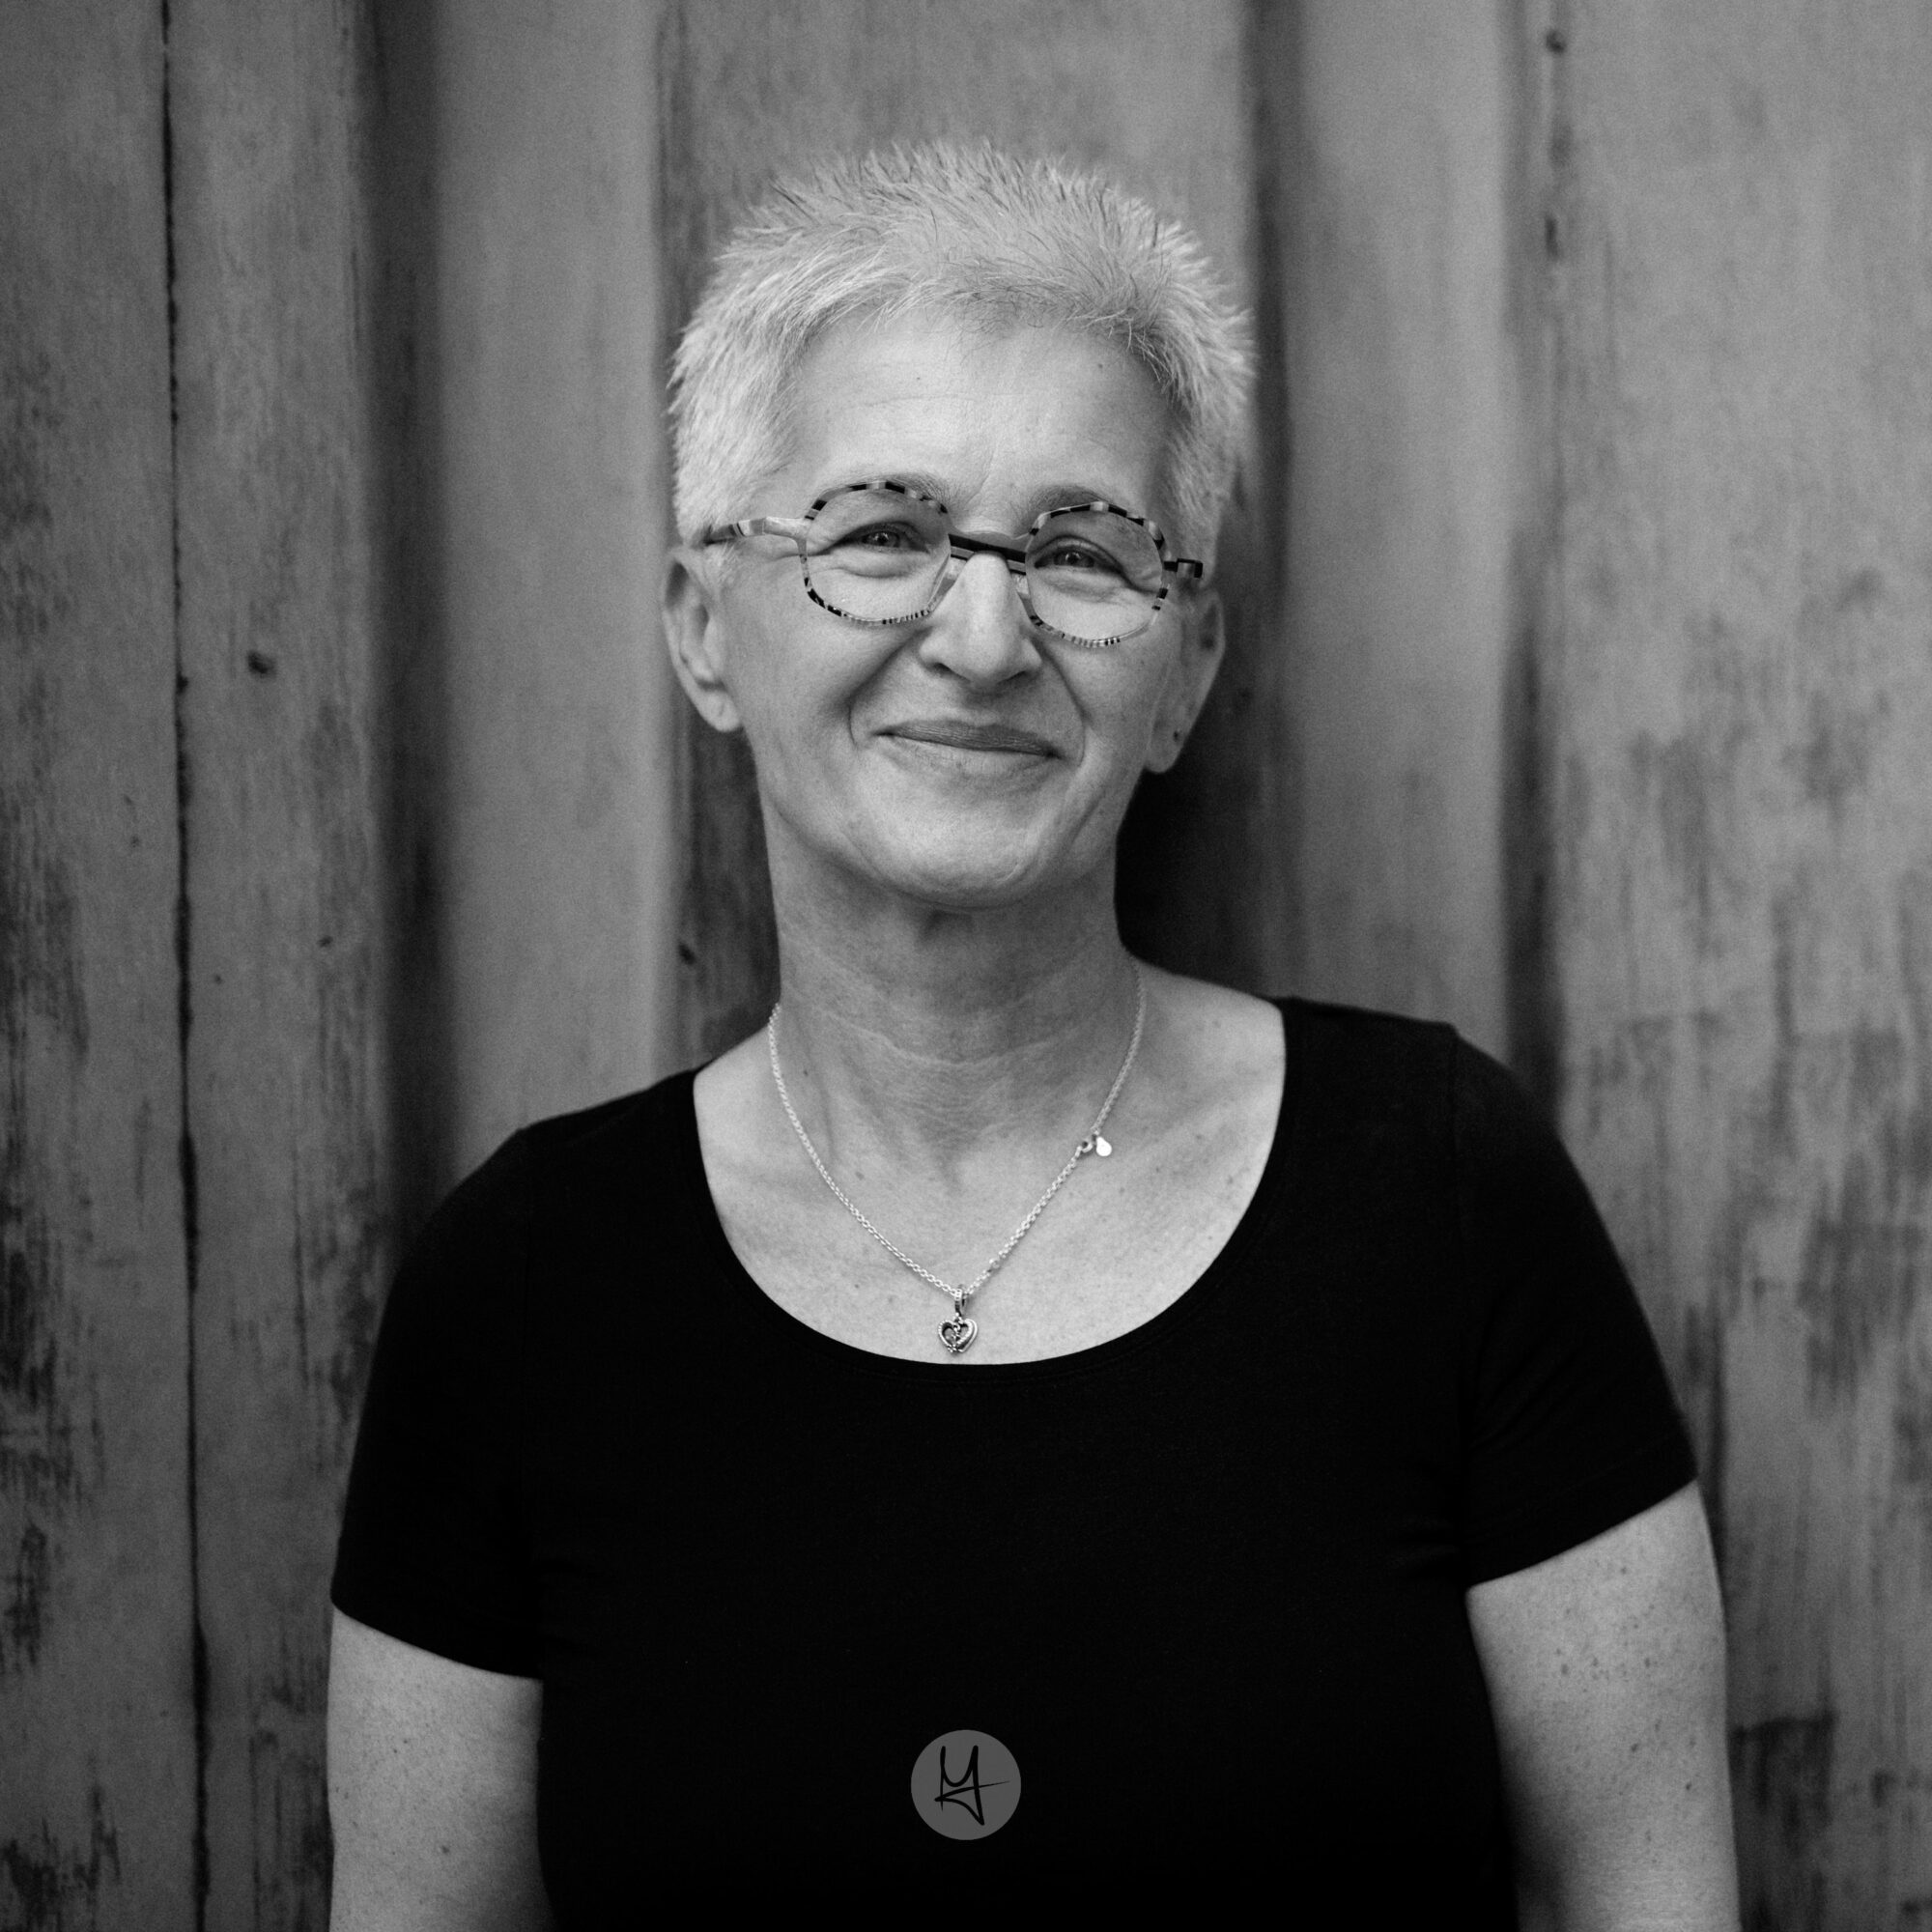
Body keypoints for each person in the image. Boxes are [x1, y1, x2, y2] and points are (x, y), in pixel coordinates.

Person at [326, 143, 1738, 1923]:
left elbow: (1648, 1900)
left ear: (1189, 664)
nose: (981, 637)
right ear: (704, 629)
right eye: (882, 535)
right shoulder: (524, 1288)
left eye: (1082, 550)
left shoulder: (1440, 1194)